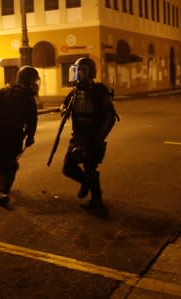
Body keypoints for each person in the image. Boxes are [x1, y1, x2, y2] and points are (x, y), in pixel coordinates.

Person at [60, 57, 117, 209]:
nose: (79, 73)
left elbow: (110, 116)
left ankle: (96, 200)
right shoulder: (75, 90)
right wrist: (64, 109)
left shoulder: (99, 90)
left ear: (90, 72)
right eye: (77, 70)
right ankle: (86, 182)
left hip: (93, 137)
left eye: (82, 70)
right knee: (68, 167)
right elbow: (64, 104)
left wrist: (100, 137)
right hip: (78, 136)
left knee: (90, 168)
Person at [0, 66, 39, 205]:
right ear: (27, 81)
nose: (35, 85)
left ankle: (3, 189)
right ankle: (3, 190)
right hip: (11, 136)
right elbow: (32, 121)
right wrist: (30, 136)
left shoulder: (3, 92)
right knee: (8, 164)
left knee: (2, 162)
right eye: (33, 81)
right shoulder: (25, 98)